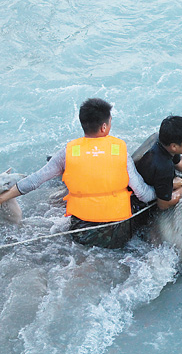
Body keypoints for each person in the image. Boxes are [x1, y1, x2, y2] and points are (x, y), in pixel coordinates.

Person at [0, 98, 156, 248]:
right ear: (103, 127)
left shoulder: (67, 153)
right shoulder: (120, 151)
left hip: (81, 234)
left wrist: (3, 198)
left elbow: (34, 181)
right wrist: (164, 191)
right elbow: (142, 193)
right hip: (117, 235)